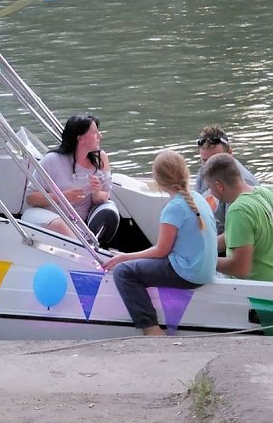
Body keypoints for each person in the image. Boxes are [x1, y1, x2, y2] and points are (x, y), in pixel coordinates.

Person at [105, 150, 216, 336]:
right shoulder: (198, 198)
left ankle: (151, 329)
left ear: (157, 180)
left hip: (187, 273)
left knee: (124, 273)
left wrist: (124, 257)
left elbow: (161, 251)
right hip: (204, 270)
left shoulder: (173, 208)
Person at [23, 114, 120, 244]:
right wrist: (63, 196)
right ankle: (87, 255)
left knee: (107, 211)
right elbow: (30, 198)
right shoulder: (52, 160)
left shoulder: (100, 158)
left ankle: (86, 251)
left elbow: (104, 196)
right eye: (95, 132)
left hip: (76, 222)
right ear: (80, 138)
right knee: (60, 225)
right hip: (43, 216)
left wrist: (96, 191)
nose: (100, 136)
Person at [202, 153, 273, 282]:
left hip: (255, 290)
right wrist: (204, 245)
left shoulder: (238, 211)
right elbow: (238, 235)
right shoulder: (264, 193)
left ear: (219, 186)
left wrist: (202, 260)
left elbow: (240, 269)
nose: (211, 192)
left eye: (210, 187)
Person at [194, 125, 258, 238]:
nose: (210, 167)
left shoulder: (243, 183)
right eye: (205, 161)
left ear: (229, 153)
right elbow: (196, 211)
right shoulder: (204, 171)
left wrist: (205, 249)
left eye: (216, 160)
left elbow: (234, 234)